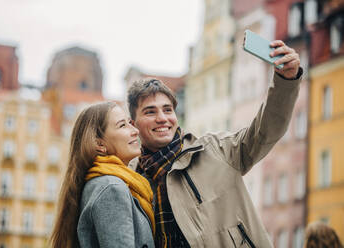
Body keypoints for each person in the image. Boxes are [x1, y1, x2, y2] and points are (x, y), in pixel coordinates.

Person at [127, 40, 303, 247]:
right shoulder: (131, 179)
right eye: (150, 112)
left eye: (167, 110)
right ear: (133, 124)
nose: (162, 118)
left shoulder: (216, 150)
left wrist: (285, 81)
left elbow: (266, 131)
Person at [49, 102, 155, 248]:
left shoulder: (100, 182)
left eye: (130, 123)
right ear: (99, 144)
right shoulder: (111, 188)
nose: (135, 130)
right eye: (122, 125)